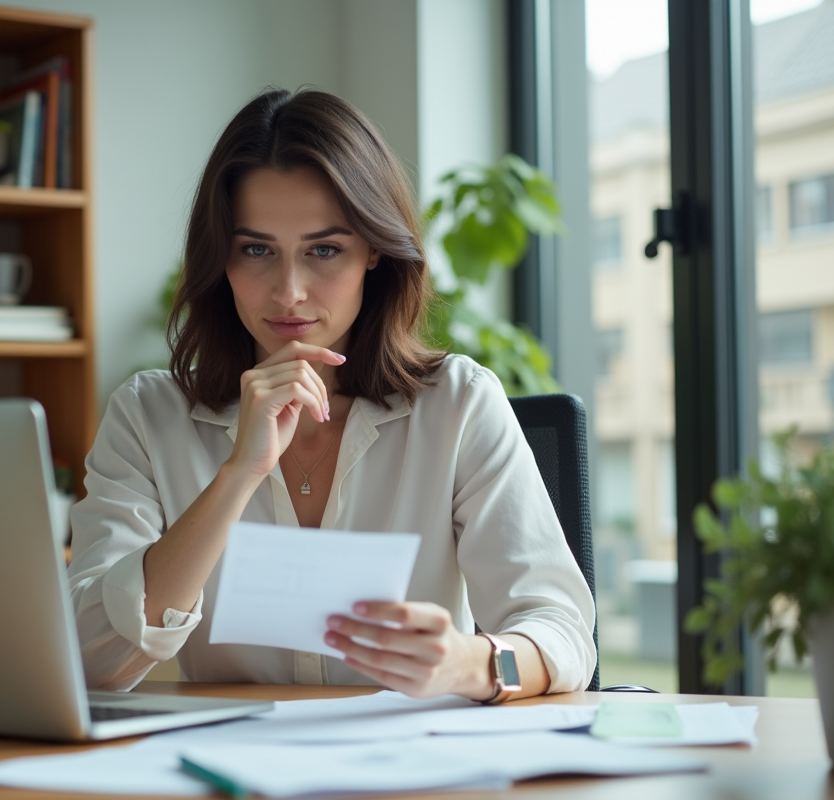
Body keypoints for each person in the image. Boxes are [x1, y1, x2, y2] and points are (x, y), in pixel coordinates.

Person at [68, 88, 595, 700]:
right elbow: (93, 663)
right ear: (221, 258)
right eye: (257, 250)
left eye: (324, 249)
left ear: (374, 249)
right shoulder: (148, 415)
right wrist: (239, 474)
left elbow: (562, 635)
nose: (289, 291)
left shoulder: (457, 402)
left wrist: (468, 664)